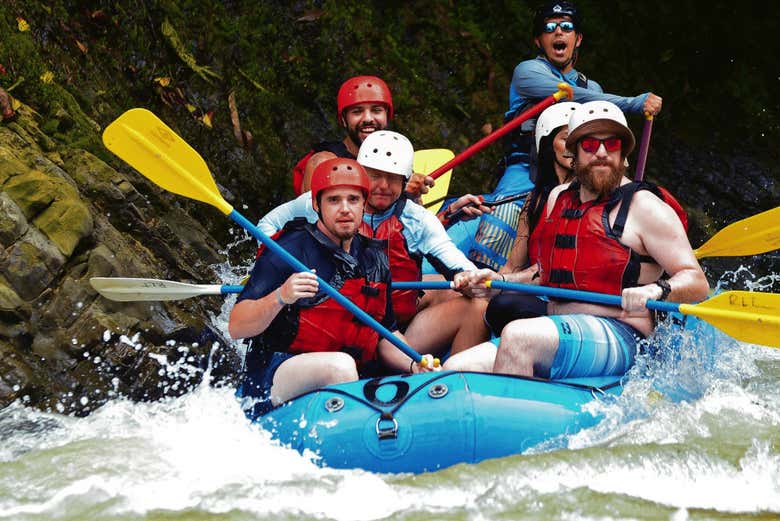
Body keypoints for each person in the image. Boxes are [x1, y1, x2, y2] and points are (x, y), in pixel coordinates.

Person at [445, 100, 709, 378]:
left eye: (613, 144)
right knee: (455, 368)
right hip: (559, 323)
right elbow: (542, 274)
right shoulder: (558, 198)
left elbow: (696, 280)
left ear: (624, 153)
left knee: (519, 336)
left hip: (623, 333)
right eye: (591, 145)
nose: (602, 153)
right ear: (574, 153)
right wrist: (496, 282)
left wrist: (655, 291)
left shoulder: (646, 207)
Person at [231, 158, 436, 416]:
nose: (345, 209)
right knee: (340, 366)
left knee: (354, 368)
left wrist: (414, 362)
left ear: (364, 204)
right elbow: (236, 326)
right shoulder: (287, 251)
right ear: (316, 204)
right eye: (333, 200)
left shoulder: (375, 259)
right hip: (275, 378)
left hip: (348, 380)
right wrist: (280, 297)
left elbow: (386, 332)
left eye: (353, 199)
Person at [468, 0, 664, 270]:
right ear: (539, 41)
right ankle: (482, 272)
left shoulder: (592, 86)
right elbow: (581, 98)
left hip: (577, 174)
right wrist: (632, 102)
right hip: (525, 171)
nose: (558, 33)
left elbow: (596, 109)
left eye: (566, 27)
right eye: (549, 28)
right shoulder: (528, 72)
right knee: (503, 209)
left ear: (578, 38)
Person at [260, 131, 492, 352]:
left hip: (392, 332)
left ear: (406, 181)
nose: (383, 186)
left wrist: (467, 276)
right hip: (331, 325)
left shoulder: (417, 220)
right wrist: (278, 268)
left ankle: (449, 384)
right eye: (375, 176)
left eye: (392, 178)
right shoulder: (325, 201)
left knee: (477, 304)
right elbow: (266, 226)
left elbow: (453, 259)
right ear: (360, 173)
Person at [292, 75, 432, 199]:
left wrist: (411, 196)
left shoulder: (395, 161)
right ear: (344, 119)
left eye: (376, 110)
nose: (368, 119)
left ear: (387, 116)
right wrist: (399, 188)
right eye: (357, 112)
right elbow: (321, 223)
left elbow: (414, 223)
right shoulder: (323, 163)